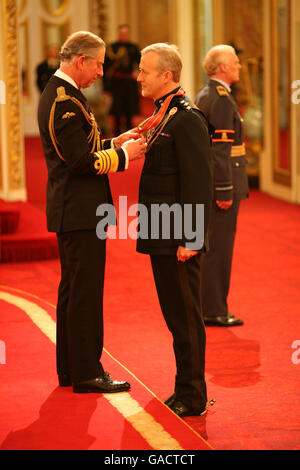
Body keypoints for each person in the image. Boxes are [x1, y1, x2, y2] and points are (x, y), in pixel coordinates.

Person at [38, 31, 146, 393]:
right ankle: (87, 371)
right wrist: (125, 157)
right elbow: (82, 164)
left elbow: (81, 148)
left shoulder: (65, 95)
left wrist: (114, 142)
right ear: (81, 60)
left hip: (77, 209)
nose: (102, 70)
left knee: (74, 290)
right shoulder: (63, 100)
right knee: (83, 292)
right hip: (80, 210)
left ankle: (71, 368)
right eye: (98, 63)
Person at [136, 43, 213, 417]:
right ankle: (184, 388)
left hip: (179, 237)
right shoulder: (163, 116)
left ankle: (193, 395)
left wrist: (191, 238)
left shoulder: (187, 119)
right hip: (162, 232)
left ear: (166, 76)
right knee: (174, 317)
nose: (139, 76)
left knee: (185, 318)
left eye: (144, 70)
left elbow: (198, 184)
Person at [194, 45, 249, 327]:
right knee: (219, 249)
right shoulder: (221, 100)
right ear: (223, 68)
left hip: (214, 182)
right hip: (222, 184)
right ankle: (214, 309)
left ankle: (209, 306)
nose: (239, 66)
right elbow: (220, 150)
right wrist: (225, 190)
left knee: (213, 246)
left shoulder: (209, 94)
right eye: (236, 62)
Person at [103, 24, 140, 135]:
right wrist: (106, 87)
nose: (124, 35)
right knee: (117, 110)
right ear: (118, 34)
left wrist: (138, 71)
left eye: (126, 33)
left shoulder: (134, 47)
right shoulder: (112, 48)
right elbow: (105, 69)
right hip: (117, 84)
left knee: (130, 110)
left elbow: (140, 63)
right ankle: (117, 135)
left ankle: (129, 133)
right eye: (121, 33)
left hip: (130, 84)